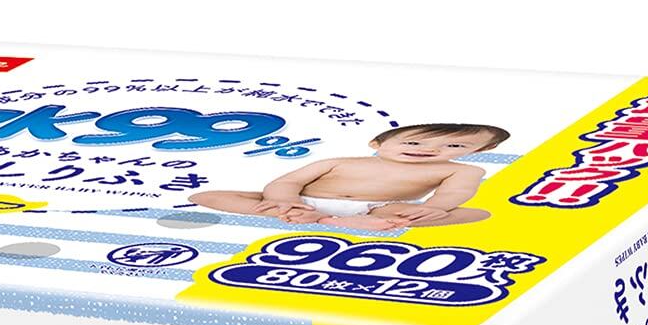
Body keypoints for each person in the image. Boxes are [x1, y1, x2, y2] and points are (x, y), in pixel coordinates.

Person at [187, 121, 509, 230]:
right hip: (303, 201)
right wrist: (283, 200)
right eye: (412, 142)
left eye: (454, 145)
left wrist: (436, 208)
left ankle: (335, 221)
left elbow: (456, 193)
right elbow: (289, 182)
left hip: (379, 207)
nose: (429, 150)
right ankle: (309, 216)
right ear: (376, 144)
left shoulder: (460, 169)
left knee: (477, 213)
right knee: (206, 195)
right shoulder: (340, 161)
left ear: (478, 151)